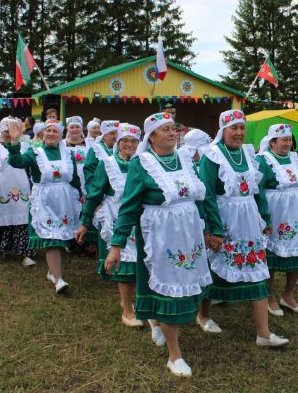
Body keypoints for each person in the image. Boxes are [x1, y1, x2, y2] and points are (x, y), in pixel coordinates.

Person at [110, 112, 213, 377]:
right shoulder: (141, 164)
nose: (172, 132)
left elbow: (204, 197)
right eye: (165, 129)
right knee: (167, 289)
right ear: (152, 137)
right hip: (160, 232)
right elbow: (129, 206)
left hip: (189, 231)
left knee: (185, 283)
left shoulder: (186, 159)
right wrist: (117, 244)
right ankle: (174, 355)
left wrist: (213, 227)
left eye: (173, 128)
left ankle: (158, 321)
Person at [198, 109, 290, 348]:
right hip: (225, 219)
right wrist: (214, 229)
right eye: (233, 128)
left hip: (248, 221)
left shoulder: (249, 154)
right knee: (215, 270)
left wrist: (265, 218)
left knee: (258, 268)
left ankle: (263, 332)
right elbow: (206, 194)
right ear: (223, 130)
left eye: (242, 128)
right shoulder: (212, 155)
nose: (239, 133)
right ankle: (204, 315)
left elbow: (256, 190)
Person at [77, 123, 143, 328]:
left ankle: (141, 304)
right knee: (124, 263)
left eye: (134, 141)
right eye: (125, 140)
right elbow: (95, 193)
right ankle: (127, 309)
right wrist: (85, 222)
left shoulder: (145, 162)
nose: (129, 144)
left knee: (141, 262)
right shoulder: (107, 164)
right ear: (118, 142)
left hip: (142, 218)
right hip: (117, 216)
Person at [7, 119, 82, 294]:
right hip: (44, 199)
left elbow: (75, 178)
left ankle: (51, 271)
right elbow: (17, 162)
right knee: (52, 240)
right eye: (48, 131)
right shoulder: (35, 152)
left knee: (61, 237)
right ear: (42, 134)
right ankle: (58, 280)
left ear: (61, 135)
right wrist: (14, 141)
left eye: (55, 131)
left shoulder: (68, 154)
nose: (51, 134)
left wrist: (80, 197)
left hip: (64, 200)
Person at [257, 124, 298, 315]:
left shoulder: (294, 159)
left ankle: (288, 295)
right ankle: (269, 296)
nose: (288, 144)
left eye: (290, 140)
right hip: (276, 214)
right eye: (284, 140)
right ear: (273, 142)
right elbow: (259, 191)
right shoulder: (263, 160)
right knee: (272, 257)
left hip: (296, 213)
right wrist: (264, 218)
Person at [0, 117, 35, 265]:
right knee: (2, 219)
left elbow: (29, 168)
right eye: (6, 132)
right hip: (1, 190)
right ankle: (1, 249)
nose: (10, 135)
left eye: (12, 132)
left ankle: (26, 253)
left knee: (22, 220)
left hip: (22, 189)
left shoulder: (25, 147)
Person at [79, 120, 119, 256]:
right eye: (112, 133)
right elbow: (90, 174)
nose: (115, 136)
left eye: (117, 133)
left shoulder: (119, 149)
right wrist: (96, 197)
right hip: (100, 193)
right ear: (104, 134)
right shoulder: (96, 149)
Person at [63, 116, 92, 195]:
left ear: (81, 128)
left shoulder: (90, 143)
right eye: (72, 127)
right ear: (68, 129)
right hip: (67, 180)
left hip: (86, 179)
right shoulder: (61, 144)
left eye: (77, 127)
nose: (75, 129)